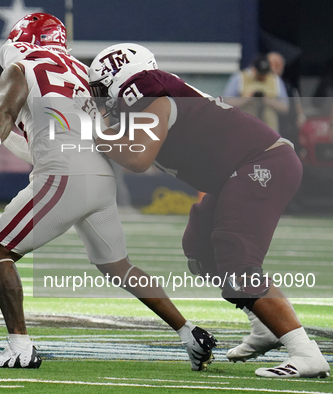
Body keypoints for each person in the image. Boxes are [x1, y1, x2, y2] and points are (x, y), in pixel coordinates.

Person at [0, 13, 216, 371]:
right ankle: (190, 333)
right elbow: (47, 141)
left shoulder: (22, 66)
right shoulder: (83, 71)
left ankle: (20, 347)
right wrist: (3, 137)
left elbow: (6, 109)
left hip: (64, 174)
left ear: (19, 40)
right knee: (118, 265)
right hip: (100, 174)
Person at [88, 42, 330, 378]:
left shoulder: (152, 93)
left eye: (101, 90)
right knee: (200, 249)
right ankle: (264, 326)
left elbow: (137, 158)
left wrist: (92, 134)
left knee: (236, 258)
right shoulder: (146, 103)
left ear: (121, 79)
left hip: (262, 162)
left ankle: (305, 352)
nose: (100, 100)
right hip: (239, 173)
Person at [223, 54, 289, 134]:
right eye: (260, 74)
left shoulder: (275, 80)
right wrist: (245, 100)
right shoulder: (239, 78)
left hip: (269, 130)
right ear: (254, 69)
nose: (262, 77)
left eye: (264, 74)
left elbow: (285, 107)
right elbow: (226, 102)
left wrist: (268, 101)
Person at [267, 51, 306, 149]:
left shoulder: (288, 85)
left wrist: (300, 116)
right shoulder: (262, 84)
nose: (276, 67)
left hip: (288, 128)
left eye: (279, 64)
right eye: (273, 64)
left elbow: (297, 103)